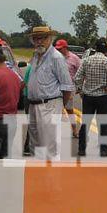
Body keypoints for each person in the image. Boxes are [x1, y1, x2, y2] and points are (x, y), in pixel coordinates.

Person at [24, 26, 74, 159]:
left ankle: (52, 177)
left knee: (49, 147)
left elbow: (67, 85)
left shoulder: (56, 58)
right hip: (34, 105)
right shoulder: (36, 55)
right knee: (35, 145)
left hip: (49, 105)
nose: (39, 41)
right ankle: (39, 176)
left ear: (50, 39)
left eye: (43, 38)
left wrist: (58, 106)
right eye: (36, 39)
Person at [75, 39, 107, 157]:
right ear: (105, 50)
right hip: (102, 97)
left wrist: (80, 90)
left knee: (86, 123)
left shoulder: (86, 60)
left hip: (88, 96)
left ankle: (81, 149)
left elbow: (77, 77)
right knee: (103, 123)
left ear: (95, 48)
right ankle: (103, 149)